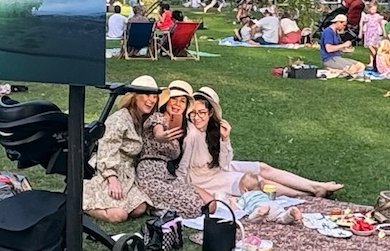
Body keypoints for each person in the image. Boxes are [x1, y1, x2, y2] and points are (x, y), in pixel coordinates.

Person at [179, 87, 343, 199]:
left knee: (262, 167)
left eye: (201, 113)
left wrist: (225, 140)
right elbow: (186, 167)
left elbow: (224, 163)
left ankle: (314, 185)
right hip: (202, 178)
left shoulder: (215, 129)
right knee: (256, 180)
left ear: (210, 112)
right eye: (193, 113)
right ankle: (305, 195)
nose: (197, 117)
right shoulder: (190, 134)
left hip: (218, 168)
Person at [81, 75, 160, 222]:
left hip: (128, 174)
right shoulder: (119, 119)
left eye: (154, 96)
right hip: (111, 171)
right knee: (119, 215)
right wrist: (112, 178)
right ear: (134, 97)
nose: (151, 100)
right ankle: (78, 200)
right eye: (147, 95)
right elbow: (107, 148)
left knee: (140, 208)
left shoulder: (141, 119)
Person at [135, 80, 210, 217]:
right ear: (167, 101)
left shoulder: (184, 127)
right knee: (195, 206)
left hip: (168, 176)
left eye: (182, 101)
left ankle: (160, 208)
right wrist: (160, 136)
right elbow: (158, 131)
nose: (177, 104)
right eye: (174, 99)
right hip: (150, 174)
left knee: (210, 204)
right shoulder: (157, 117)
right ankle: (157, 208)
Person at [234, 173, 303, 225]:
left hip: (260, 206)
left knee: (251, 219)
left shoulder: (246, 195)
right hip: (273, 205)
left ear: (245, 190)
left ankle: (261, 213)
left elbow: (238, 208)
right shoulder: (263, 193)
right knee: (281, 217)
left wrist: (233, 201)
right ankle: (290, 213)